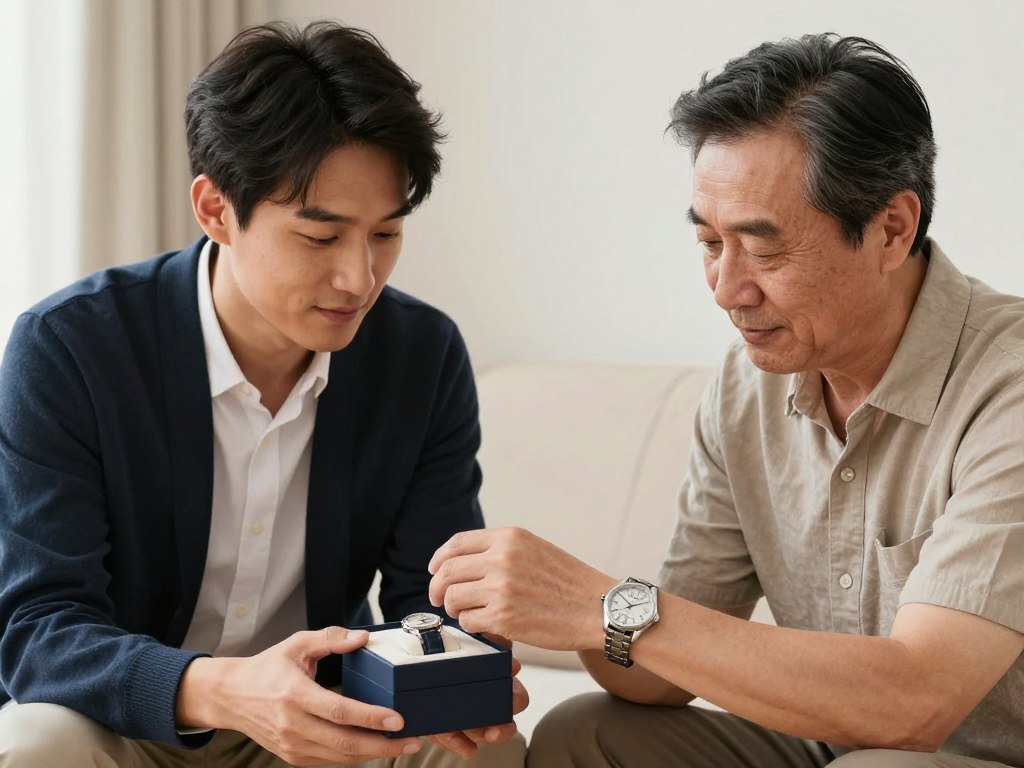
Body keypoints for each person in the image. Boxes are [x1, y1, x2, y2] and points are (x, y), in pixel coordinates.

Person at [427, 33, 1024, 767]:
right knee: (585, 731)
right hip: (832, 746)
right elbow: (656, 670)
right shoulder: (749, 389)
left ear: (892, 229)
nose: (726, 289)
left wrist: (598, 604)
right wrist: (542, 613)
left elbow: (916, 701)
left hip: (963, 753)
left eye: (763, 248)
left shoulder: (1008, 389)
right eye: (710, 242)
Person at [0, 21, 526, 768]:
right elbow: (38, 629)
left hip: (329, 717)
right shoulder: (71, 348)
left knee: (489, 754)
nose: (360, 278)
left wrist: (463, 666)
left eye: (385, 235)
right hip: (129, 718)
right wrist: (224, 689)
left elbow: (425, 599)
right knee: (33, 742)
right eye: (321, 237)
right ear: (216, 209)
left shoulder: (421, 355)